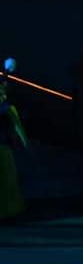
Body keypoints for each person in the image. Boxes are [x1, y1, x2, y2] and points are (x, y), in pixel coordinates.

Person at [0, 76, 27, 221]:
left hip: (4, 148)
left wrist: (23, 142)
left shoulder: (8, 109)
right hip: (4, 148)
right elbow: (17, 128)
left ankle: (10, 211)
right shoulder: (7, 109)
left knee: (8, 181)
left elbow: (17, 127)